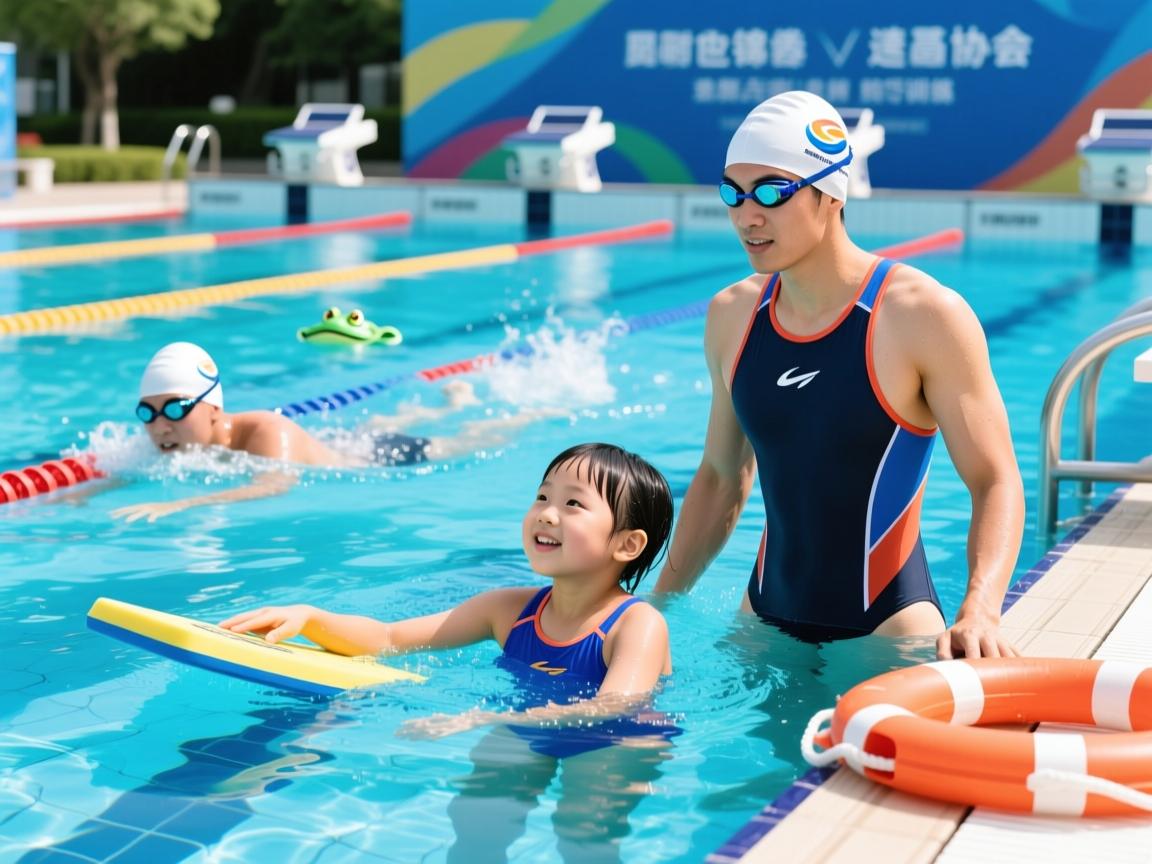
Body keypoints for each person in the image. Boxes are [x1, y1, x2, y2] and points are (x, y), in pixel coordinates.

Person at [652, 91, 1025, 661]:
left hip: (887, 631)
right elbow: (722, 477)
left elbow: (995, 479)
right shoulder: (733, 315)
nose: (747, 216)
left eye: (772, 192)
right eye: (733, 193)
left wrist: (981, 610)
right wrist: (657, 607)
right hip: (763, 623)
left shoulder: (921, 315)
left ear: (830, 194)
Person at [220, 442, 678, 861]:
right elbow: (390, 639)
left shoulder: (638, 624)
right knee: (476, 816)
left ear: (627, 544)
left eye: (573, 504)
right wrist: (311, 617)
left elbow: (614, 706)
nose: (547, 514)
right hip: (528, 722)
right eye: (542, 497)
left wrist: (481, 717)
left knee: (581, 833)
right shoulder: (508, 610)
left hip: (615, 741)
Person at [111, 341, 558, 523]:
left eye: (175, 408)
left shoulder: (265, 431)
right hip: (345, 442)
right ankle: (450, 402)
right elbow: (126, 468)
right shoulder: (172, 440)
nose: (160, 424)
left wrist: (181, 504)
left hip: (379, 459)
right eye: (147, 413)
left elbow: (275, 484)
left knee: (467, 439)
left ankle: (529, 412)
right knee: (375, 425)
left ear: (213, 409)